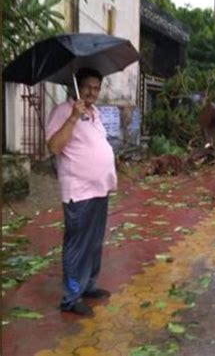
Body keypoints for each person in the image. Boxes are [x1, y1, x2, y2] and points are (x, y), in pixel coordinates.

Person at [46, 67, 117, 316]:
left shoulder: (95, 113)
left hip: (99, 189)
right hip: (79, 191)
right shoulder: (63, 111)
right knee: (77, 244)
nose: (92, 92)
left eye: (96, 88)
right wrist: (73, 117)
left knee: (94, 243)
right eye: (87, 87)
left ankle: (88, 285)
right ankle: (71, 297)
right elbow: (54, 147)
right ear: (76, 86)